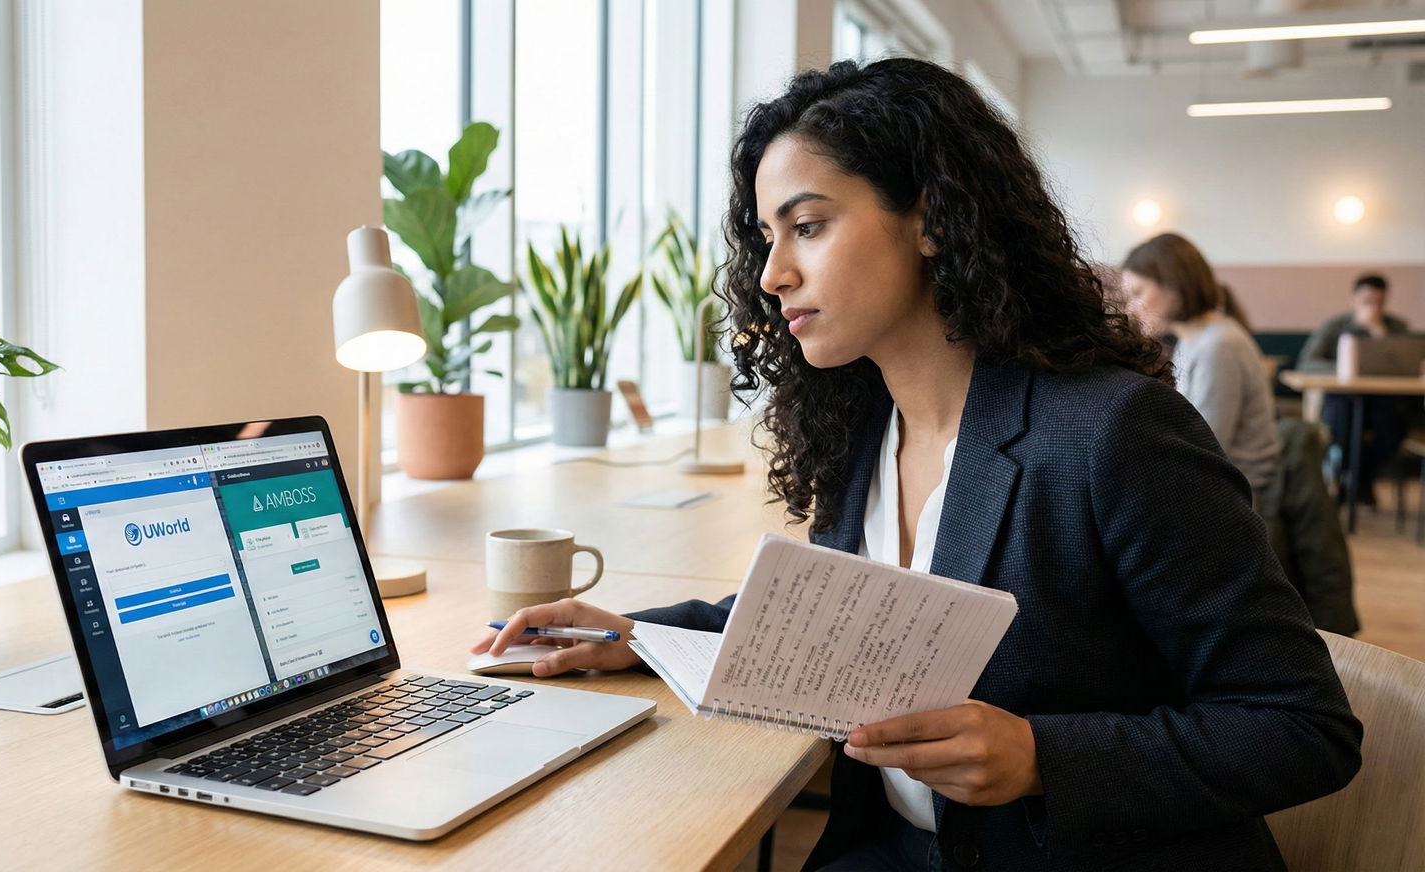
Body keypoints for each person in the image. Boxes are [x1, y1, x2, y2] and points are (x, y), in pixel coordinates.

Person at [473, 58, 1359, 871]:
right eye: (767, 238)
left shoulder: (1114, 434)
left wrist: (1042, 758)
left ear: (933, 220)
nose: (773, 274)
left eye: (807, 227)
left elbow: (1301, 724)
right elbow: (844, 615)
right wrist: (634, 637)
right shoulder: (862, 430)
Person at [1122, 233, 1281, 495]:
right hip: (1219, 479)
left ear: (1173, 285)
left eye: (1138, 293)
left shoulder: (1218, 345)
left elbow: (1206, 447)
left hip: (1240, 491)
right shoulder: (1192, 340)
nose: (1130, 309)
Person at [1298, 273, 1412, 503]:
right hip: (1343, 399)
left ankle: (1359, 479)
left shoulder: (1396, 327)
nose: (1372, 307)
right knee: (1342, 423)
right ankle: (1351, 480)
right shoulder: (1335, 326)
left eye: (1378, 302)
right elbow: (1307, 363)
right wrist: (1343, 367)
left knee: (1391, 428)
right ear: (1355, 298)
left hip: (1384, 402)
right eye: (1366, 301)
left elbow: (1407, 365)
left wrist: (1379, 333)